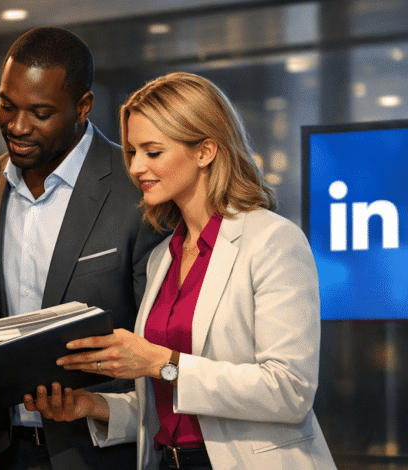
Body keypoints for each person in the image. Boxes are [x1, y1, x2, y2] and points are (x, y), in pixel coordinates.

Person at [25, 72, 338, 470]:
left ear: (205, 150)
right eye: (133, 151)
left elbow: (290, 391)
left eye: (152, 152)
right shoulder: (163, 257)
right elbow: (168, 401)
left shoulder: (273, 240)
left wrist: (161, 361)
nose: (136, 167)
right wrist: (93, 404)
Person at [0, 26, 163, 470]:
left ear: (83, 106)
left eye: (40, 112)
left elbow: (161, 343)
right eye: (6, 105)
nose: (16, 126)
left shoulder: (137, 188)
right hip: (1, 449)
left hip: (100, 450)